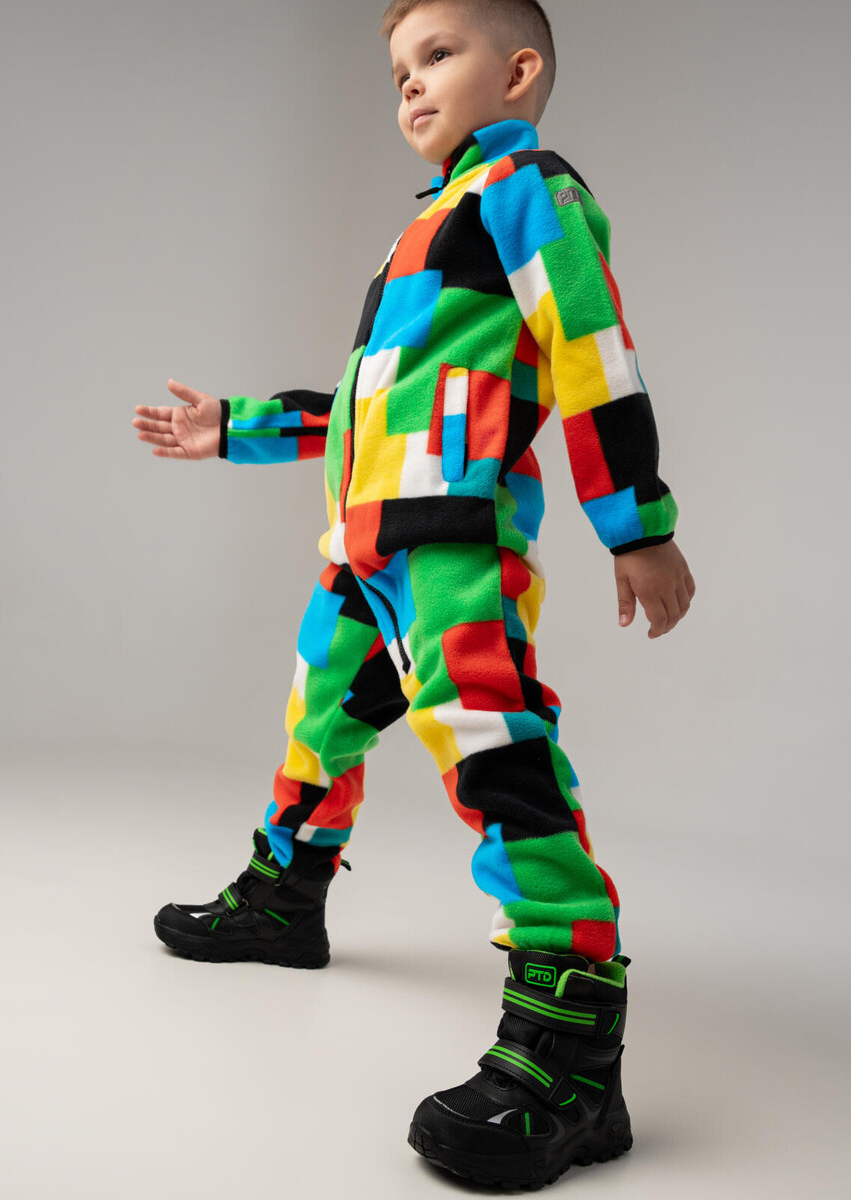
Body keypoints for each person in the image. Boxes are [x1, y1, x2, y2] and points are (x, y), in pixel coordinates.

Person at [133, 0, 695, 1187]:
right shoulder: (422, 233)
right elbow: (367, 404)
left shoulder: (530, 194)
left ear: (520, 70)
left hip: (453, 546)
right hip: (365, 550)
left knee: (494, 752)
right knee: (316, 723)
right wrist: (233, 426)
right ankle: (287, 896)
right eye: (400, 70)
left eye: (438, 55)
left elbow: (594, 354)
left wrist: (637, 525)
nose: (412, 85)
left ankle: (571, 1036)